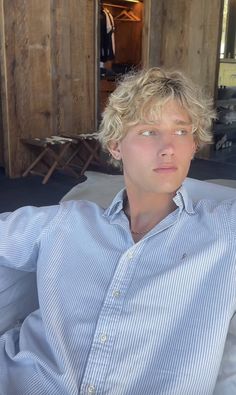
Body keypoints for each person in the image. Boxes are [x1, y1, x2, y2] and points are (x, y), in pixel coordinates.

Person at [0, 67, 235, 395]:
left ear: (194, 145)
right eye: (149, 132)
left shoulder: (223, 231)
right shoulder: (66, 222)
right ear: (115, 146)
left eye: (181, 132)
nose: (169, 147)